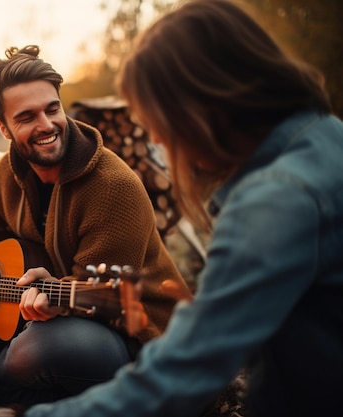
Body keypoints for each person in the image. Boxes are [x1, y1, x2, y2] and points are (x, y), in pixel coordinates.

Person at [22, 1, 343, 416]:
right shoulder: (327, 137)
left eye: (156, 120)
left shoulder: (275, 201)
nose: (155, 137)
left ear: (198, 106)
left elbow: (183, 372)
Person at [0, 45, 190, 412]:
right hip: (29, 322)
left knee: (46, 345)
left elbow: (106, 297)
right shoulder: (9, 173)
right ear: (4, 128)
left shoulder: (113, 187)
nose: (46, 125)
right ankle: (19, 387)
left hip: (129, 340)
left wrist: (57, 298)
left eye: (52, 109)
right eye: (26, 117)